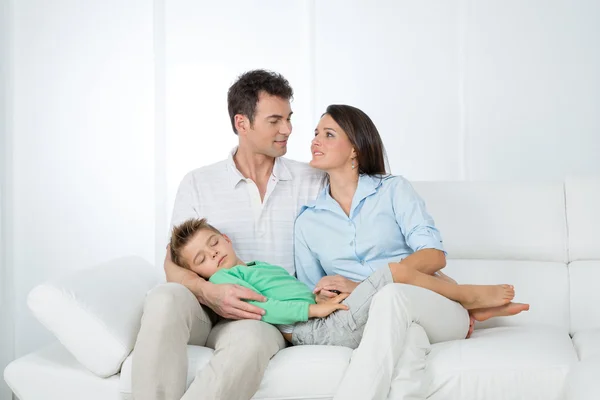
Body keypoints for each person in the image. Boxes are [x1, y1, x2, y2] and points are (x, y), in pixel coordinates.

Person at [294, 104, 530, 399]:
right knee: (408, 351)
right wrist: (323, 295)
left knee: (391, 295)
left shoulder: (393, 190)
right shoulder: (307, 221)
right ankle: (466, 298)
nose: (315, 141)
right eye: (315, 133)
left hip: (429, 304)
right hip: (364, 317)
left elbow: (434, 256)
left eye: (328, 134)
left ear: (355, 149)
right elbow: (309, 292)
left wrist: (364, 286)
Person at [131, 69, 323, 400]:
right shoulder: (198, 182)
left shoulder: (313, 180)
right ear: (242, 123)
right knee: (164, 297)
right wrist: (209, 293)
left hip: (265, 312)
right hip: (205, 309)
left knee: (250, 338)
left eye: (289, 118)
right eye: (275, 120)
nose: (288, 129)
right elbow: (172, 266)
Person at [169, 217, 526, 349]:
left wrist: (315, 292)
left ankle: (468, 311)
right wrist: (313, 307)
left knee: (420, 279)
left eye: (213, 243)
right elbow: (264, 308)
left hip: (326, 316)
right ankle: (469, 297)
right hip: (320, 329)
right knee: (394, 273)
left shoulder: (257, 266)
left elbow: (283, 293)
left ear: (226, 239)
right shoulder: (227, 281)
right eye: (201, 259)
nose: (212, 255)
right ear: (199, 275)